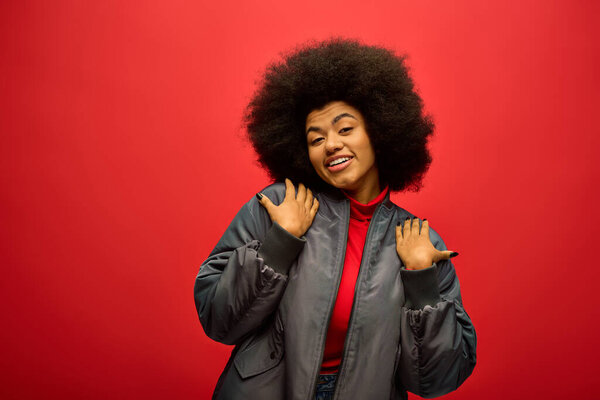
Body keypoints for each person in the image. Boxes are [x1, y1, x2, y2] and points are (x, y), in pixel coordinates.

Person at [194, 38, 476, 400]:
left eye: (345, 130)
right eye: (316, 139)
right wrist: (280, 242)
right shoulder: (281, 204)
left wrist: (422, 285)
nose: (330, 145)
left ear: (379, 130)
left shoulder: (419, 242)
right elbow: (218, 319)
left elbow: (436, 381)